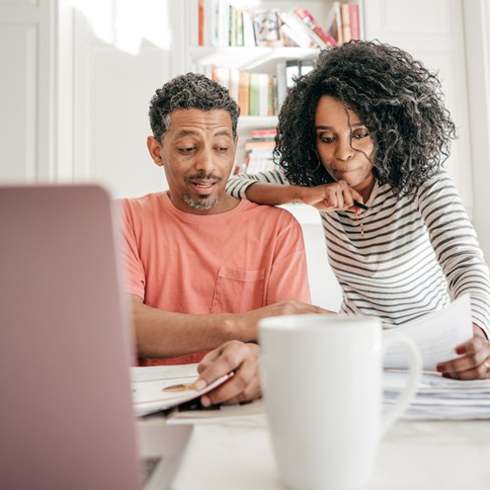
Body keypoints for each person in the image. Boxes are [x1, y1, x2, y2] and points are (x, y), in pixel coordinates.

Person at [226, 40, 490, 380]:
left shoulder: (422, 180)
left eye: (360, 134)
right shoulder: (314, 177)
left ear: (388, 130)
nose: (343, 154)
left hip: (431, 348)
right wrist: (303, 194)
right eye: (327, 137)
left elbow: (464, 260)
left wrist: (479, 332)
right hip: (358, 347)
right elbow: (234, 186)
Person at [119, 73, 326, 404]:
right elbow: (124, 324)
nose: (207, 165)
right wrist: (240, 325)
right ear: (156, 150)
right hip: (148, 406)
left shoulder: (278, 229)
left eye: (220, 148)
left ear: (235, 148)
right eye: (188, 148)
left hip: (245, 402)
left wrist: (260, 360)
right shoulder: (125, 218)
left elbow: (287, 336)